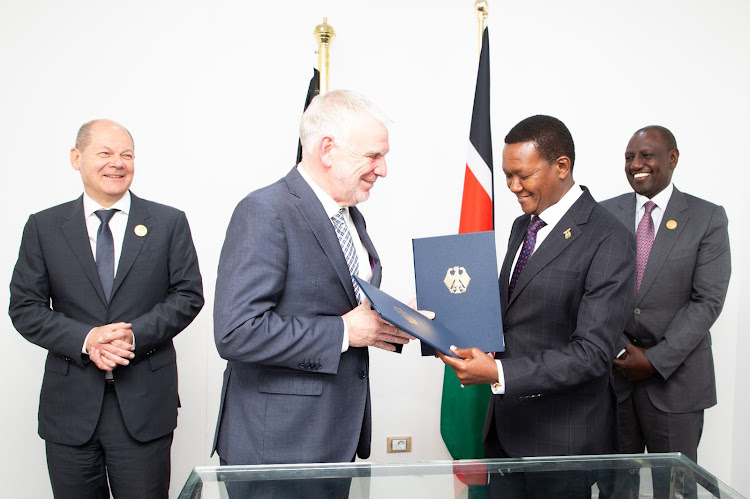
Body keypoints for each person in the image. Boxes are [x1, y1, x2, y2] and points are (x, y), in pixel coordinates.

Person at [212, 90, 412, 467]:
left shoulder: (351, 214)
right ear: (327, 150)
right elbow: (236, 332)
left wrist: (397, 316)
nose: (383, 169)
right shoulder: (264, 211)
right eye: (373, 155)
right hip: (277, 445)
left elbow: (340, 303)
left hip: (336, 434)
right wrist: (343, 332)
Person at [438, 115, 635, 498]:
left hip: (561, 442)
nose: (512, 187)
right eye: (507, 175)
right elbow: (511, 312)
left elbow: (592, 353)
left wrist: (497, 372)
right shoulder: (522, 226)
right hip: (505, 432)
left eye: (522, 175)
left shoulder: (609, 238)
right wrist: (441, 311)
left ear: (562, 166)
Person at [9, 119, 204, 498]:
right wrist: (87, 339)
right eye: (105, 153)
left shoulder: (167, 223)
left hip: (143, 407)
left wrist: (133, 335)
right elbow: (26, 307)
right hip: (70, 410)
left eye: (126, 155)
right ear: (76, 158)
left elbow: (187, 295)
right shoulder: (44, 227)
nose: (117, 163)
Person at [598, 126, 731, 499]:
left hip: (677, 383)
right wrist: (622, 349)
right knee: (613, 487)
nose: (636, 164)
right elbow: (594, 291)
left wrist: (655, 360)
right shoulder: (605, 214)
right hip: (615, 377)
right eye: (629, 158)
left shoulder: (707, 218)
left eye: (646, 155)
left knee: (675, 490)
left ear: (672, 158)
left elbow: (707, 300)